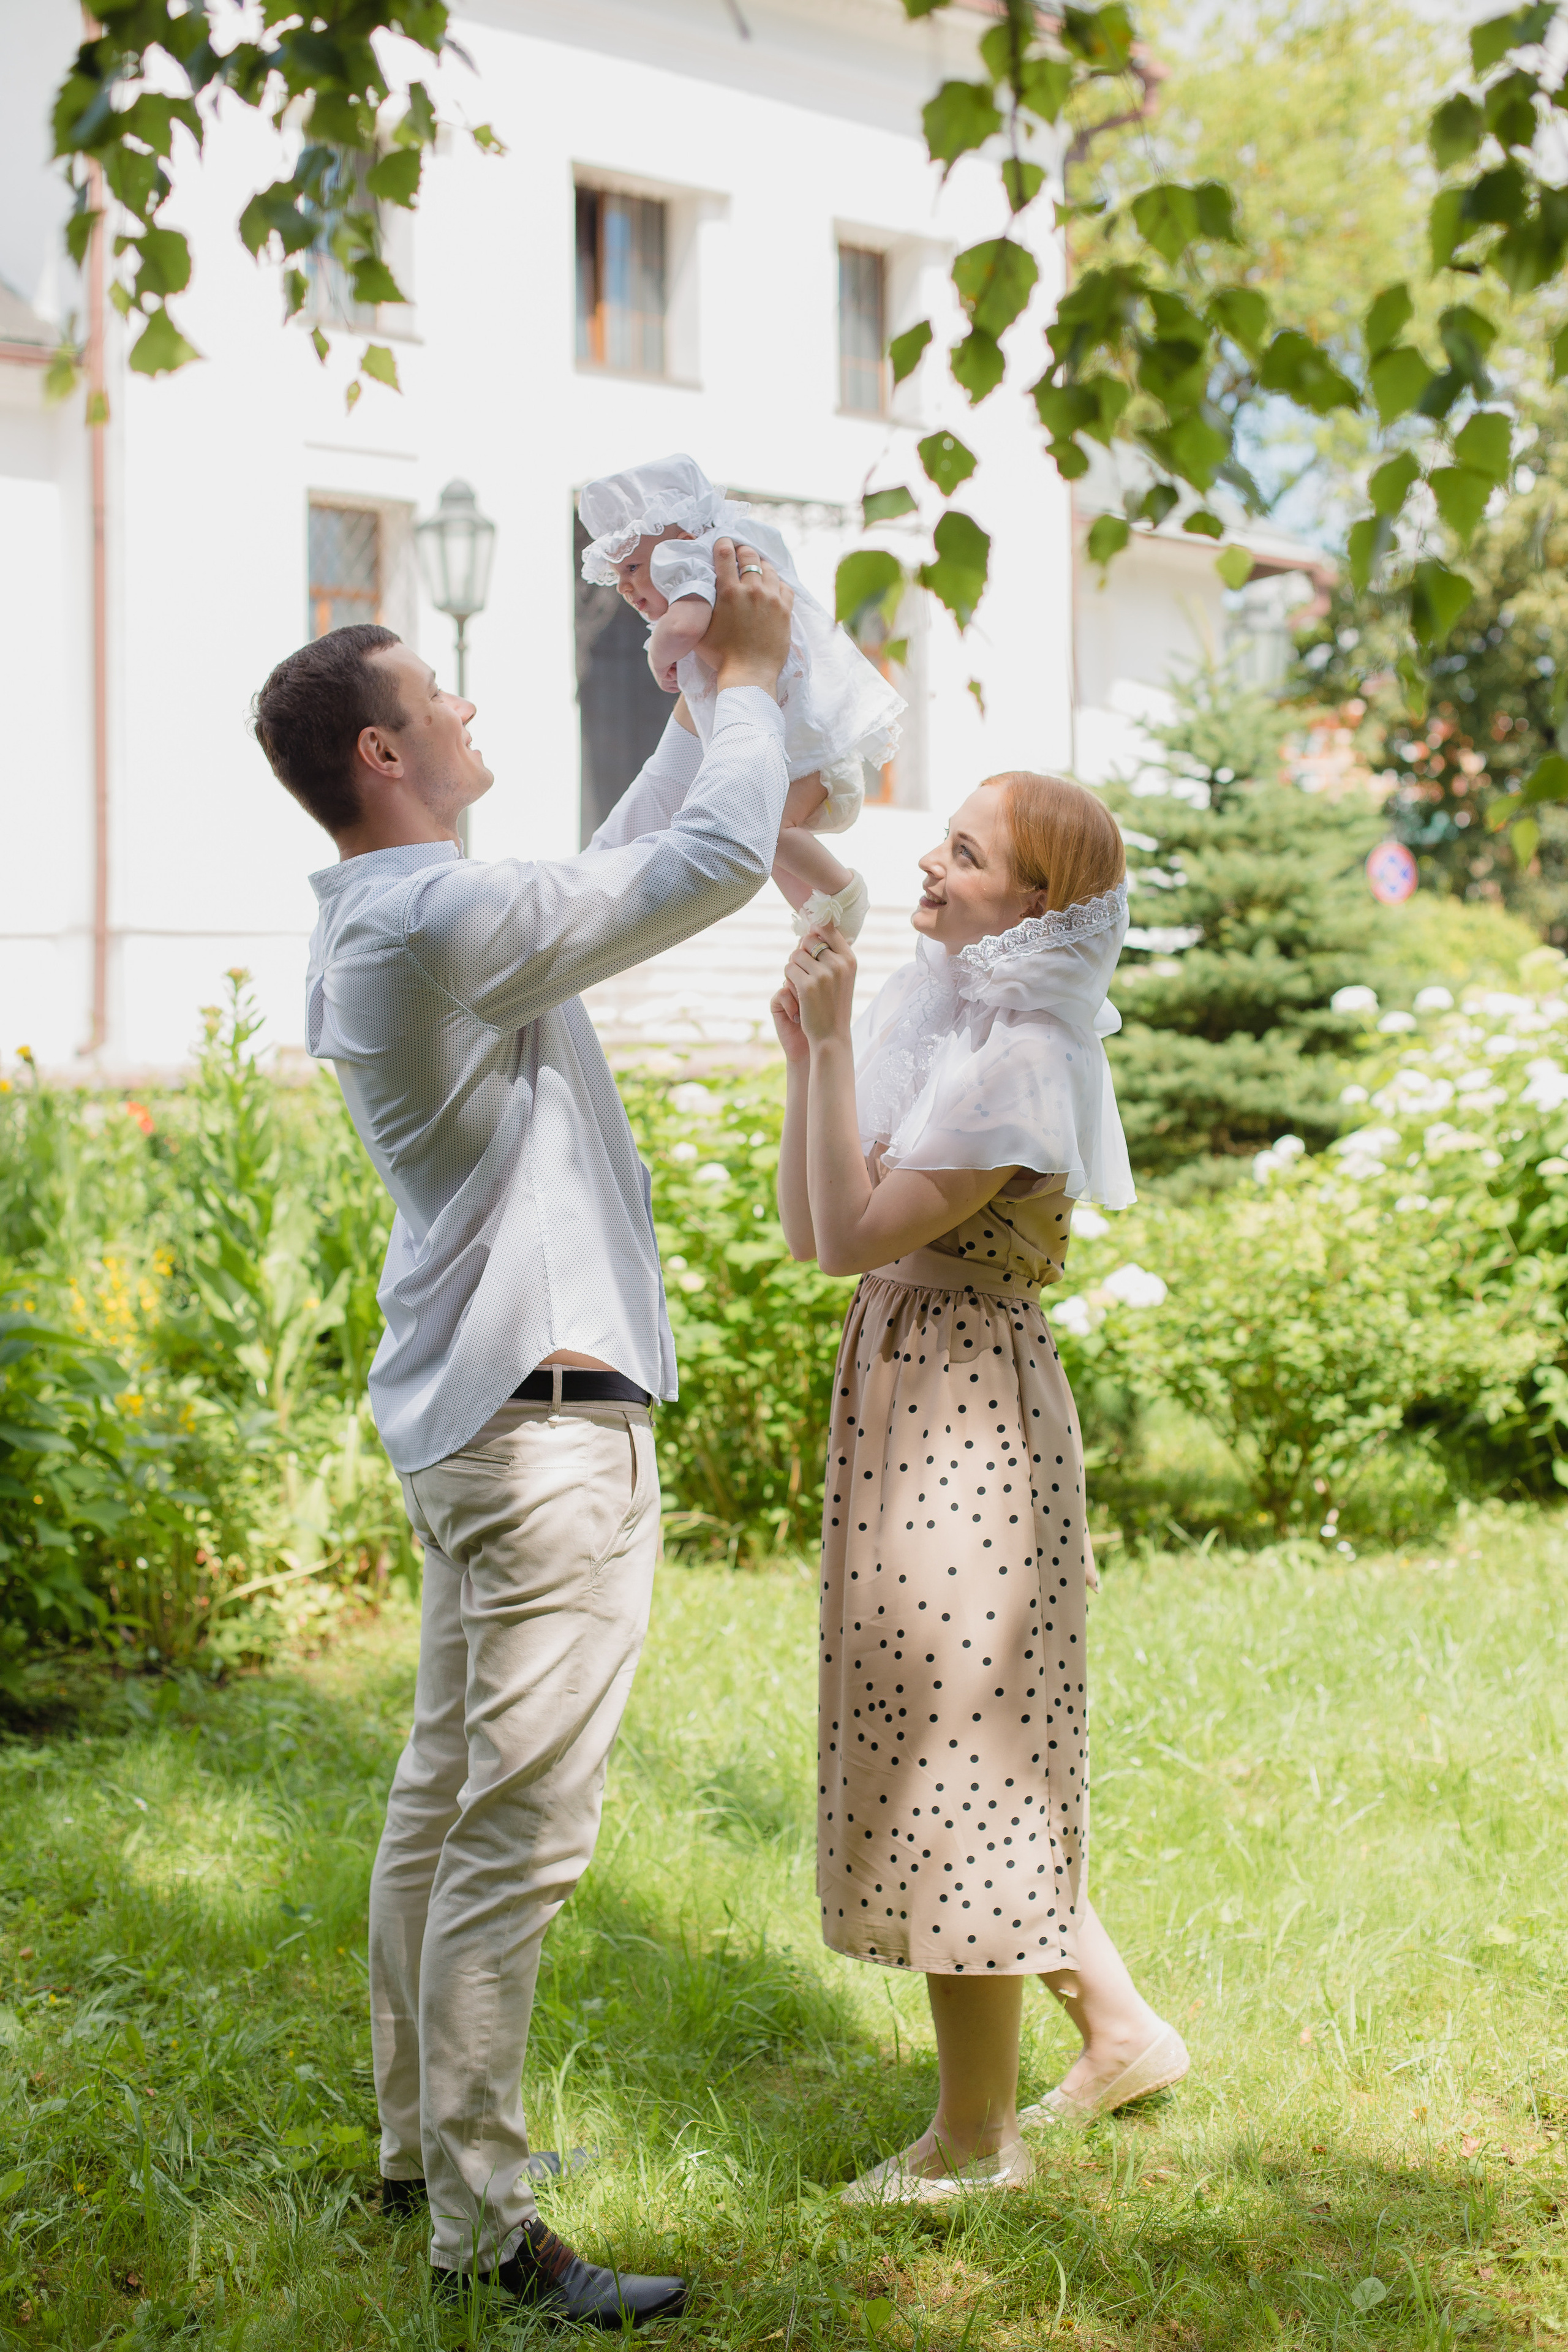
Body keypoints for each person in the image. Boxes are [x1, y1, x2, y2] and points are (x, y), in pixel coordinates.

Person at [250, 542, 795, 2320]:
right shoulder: (439, 922)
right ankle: (486, 2231)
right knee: (518, 1833)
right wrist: (761, 684)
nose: (472, 703)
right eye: (440, 696)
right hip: (546, 1435)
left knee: (438, 1794)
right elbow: (706, 864)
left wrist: (691, 688)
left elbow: (617, 865)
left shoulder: (407, 912)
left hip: (479, 1419)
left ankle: (426, 2148)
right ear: (383, 756)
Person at [771, 769, 1189, 2204]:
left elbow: (845, 1235)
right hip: (910, 1380)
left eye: (965, 853)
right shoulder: (954, 1024)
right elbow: (810, 1225)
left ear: (1036, 906)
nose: (930, 867)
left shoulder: (1015, 1061)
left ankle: (973, 2136)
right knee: (949, 1727)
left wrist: (827, 1043)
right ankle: (1117, 2030)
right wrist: (806, 1056)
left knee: (959, 1748)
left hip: (959, 1407)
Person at [579, 453, 904, 944]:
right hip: (803, 757)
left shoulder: (692, 562)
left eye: (632, 565)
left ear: (680, 536)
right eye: (616, 574)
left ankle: (844, 890)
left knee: (766, 831)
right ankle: (820, 922)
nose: (624, 586)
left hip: (810, 756)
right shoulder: (712, 571)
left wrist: (658, 654)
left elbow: (684, 625)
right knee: (767, 845)